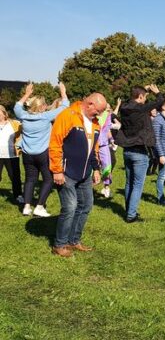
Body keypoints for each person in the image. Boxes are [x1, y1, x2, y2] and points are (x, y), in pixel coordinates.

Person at [49, 92, 107, 257]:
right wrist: (57, 170)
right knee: (70, 207)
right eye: (99, 110)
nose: (100, 115)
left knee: (86, 206)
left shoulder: (95, 123)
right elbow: (55, 143)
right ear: (89, 104)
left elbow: (93, 149)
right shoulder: (68, 115)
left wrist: (96, 169)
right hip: (66, 173)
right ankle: (59, 244)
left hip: (85, 174)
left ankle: (74, 241)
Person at [14, 82, 70, 217]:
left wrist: (27, 93)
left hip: (27, 154)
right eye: (44, 104)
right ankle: (39, 207)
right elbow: (65, 106)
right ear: (41, 107)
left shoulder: (23, 116)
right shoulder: (46, 116)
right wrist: (63, 92)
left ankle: (26, 207)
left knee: (30, 179)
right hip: (43, 153)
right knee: (48, 179)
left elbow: (17, 106)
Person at [115, 84, 164, 223]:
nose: (145, 100)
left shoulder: (124, 108)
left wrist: (144, 90)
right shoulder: (141, 109)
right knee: (137, 184)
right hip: (140, 151)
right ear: (140, 97)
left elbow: (132, 98)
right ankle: (131, 215)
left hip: (127, 150)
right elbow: (160, 101)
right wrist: (157, 92)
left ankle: (128, 209)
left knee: (129, 182)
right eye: (144, 97)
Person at [0, 104, 23, 203]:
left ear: (4, 113)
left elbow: (25, 132)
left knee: (14, 176)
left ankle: (18, 195)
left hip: (12, 155)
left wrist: (20, 146)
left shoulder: (14, 123)